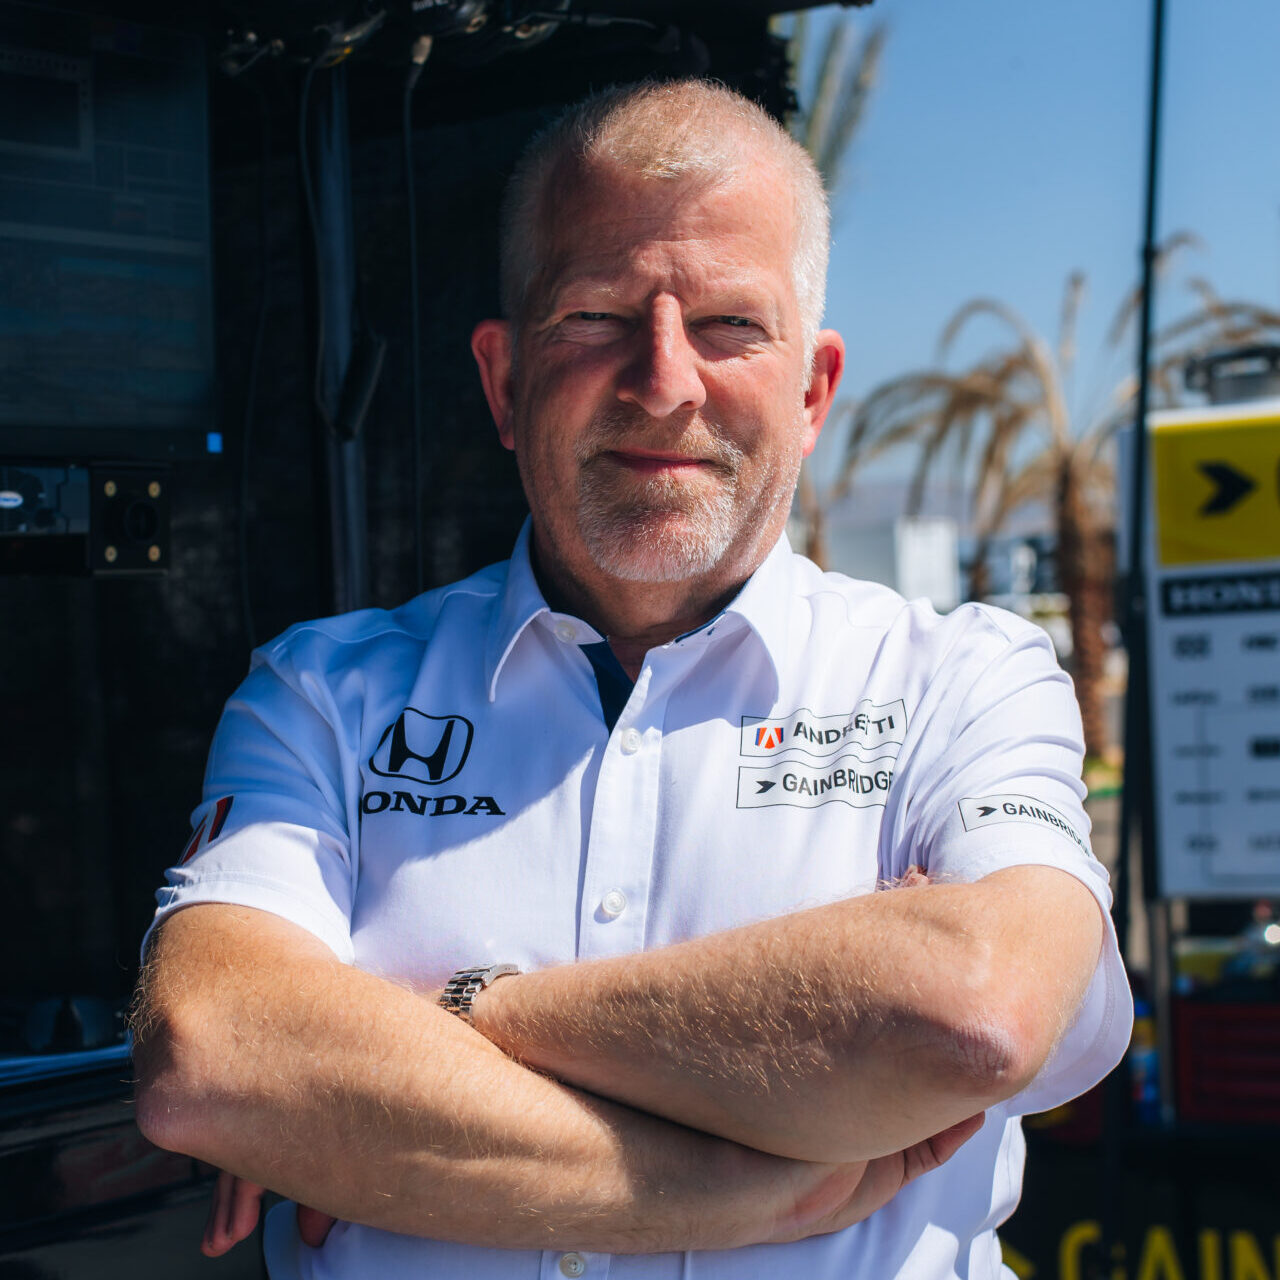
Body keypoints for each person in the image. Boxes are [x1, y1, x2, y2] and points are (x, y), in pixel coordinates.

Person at [132, 78, 1131, 1280]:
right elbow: (213, 1050)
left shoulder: (964, 680)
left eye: (728, 324)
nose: (662, 381)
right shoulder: (322, 695)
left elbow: (972, 1010)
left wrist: (438, 1022)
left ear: (812, 391)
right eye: (596, 315)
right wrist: (731, 1192)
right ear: (503, 384)